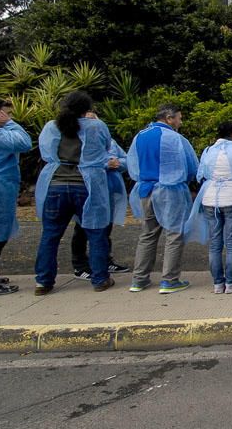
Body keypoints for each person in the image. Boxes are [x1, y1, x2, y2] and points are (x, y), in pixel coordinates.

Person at [35, 92, 117, 294]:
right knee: (96, 232)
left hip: (55, 183)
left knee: (50, 234)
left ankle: (43, 282)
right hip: (87, 184)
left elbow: (45, 151)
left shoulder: (51, 126)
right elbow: (107, 147)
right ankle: (100, 279)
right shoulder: (96, 126)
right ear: (86, 108)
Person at [183, 121, 232, 294]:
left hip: (210, 198)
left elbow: (200, 175)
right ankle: (231, 282)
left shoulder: (208, 151)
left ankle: (218, 283)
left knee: (215, 244)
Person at [128, 104, 198, 293]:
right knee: (174, 234)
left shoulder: (139, 136)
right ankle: (170, 280)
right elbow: (192, 166)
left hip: (144, 189)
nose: (180, 122)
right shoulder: (175, 138)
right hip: (170, 191)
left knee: (148, 233)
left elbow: (131, 163)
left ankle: (139, 279)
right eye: (179, 118)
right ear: (169, 118)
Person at [70, 110, 130, 280]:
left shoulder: (110, 142)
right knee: (83, 228)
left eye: (94, 120)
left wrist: (118, 163)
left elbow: (127, 160)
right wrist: (104, 164)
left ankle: (105, 260)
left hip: (109, 190)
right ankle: (80, 265)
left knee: (105, 227)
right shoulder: (78, 143)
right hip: (88, 190)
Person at [0, 98, 32, 295]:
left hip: (4, 184)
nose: (10, 117)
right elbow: (24, 142)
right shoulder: (0, 134)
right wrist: (8, 123)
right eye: (6, 113)